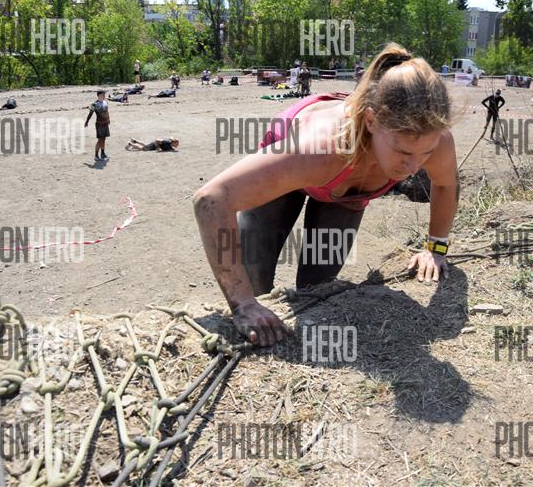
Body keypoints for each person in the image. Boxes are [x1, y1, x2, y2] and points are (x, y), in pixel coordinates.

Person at [192, 43, 458, 347]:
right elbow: (211, 199)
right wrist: (243, 304)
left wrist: (435, 248)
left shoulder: (435, 140)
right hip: (300, 153)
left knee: (317, 290)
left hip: (346, 188)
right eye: (403, 152)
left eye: (425, 153)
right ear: (371, 121)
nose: (413, 167)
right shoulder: (319, 150)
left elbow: (446, 184)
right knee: (255, 282)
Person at [84, 90, 110, 162]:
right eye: (103, 95)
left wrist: (108, 119)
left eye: (104, 94)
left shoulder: (105, 102)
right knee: (100, 140)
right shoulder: (94, 104)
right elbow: (90, 113)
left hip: (105, 123)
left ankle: (103, 153)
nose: (104, 96)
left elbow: (107, 112)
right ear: (98, 95)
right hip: (99, 124)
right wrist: (87, 121)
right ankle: (96, 155)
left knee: (104, 139)